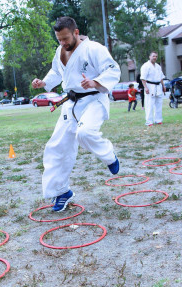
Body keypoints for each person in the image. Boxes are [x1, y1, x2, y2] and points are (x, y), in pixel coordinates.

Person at [32, 17, 121, 212]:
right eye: (59, 39)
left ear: (76, 32)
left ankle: (109, 156)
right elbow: (57, 72)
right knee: (57, 147)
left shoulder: (94, 49)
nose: (63, 43)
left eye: (65, 38)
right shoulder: (60, 51)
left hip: (93, 100)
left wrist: (95, 82)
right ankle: (62, 191)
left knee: (85, 133)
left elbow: (113, 70)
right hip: (70, 103)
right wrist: (43, 83)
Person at [140, 51, 166, 126]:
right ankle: (149, 121)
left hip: (158, 86)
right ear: (150, 57)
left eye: (156, 56)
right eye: (153, 56)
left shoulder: (158, 66)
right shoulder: (145, 66)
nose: (155, 58)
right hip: (150, 86)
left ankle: (158, 120)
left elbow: (161, 77)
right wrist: (145, 87)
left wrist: (163, 86)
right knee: (149, 104)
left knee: (159, 103)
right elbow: (143, 78)